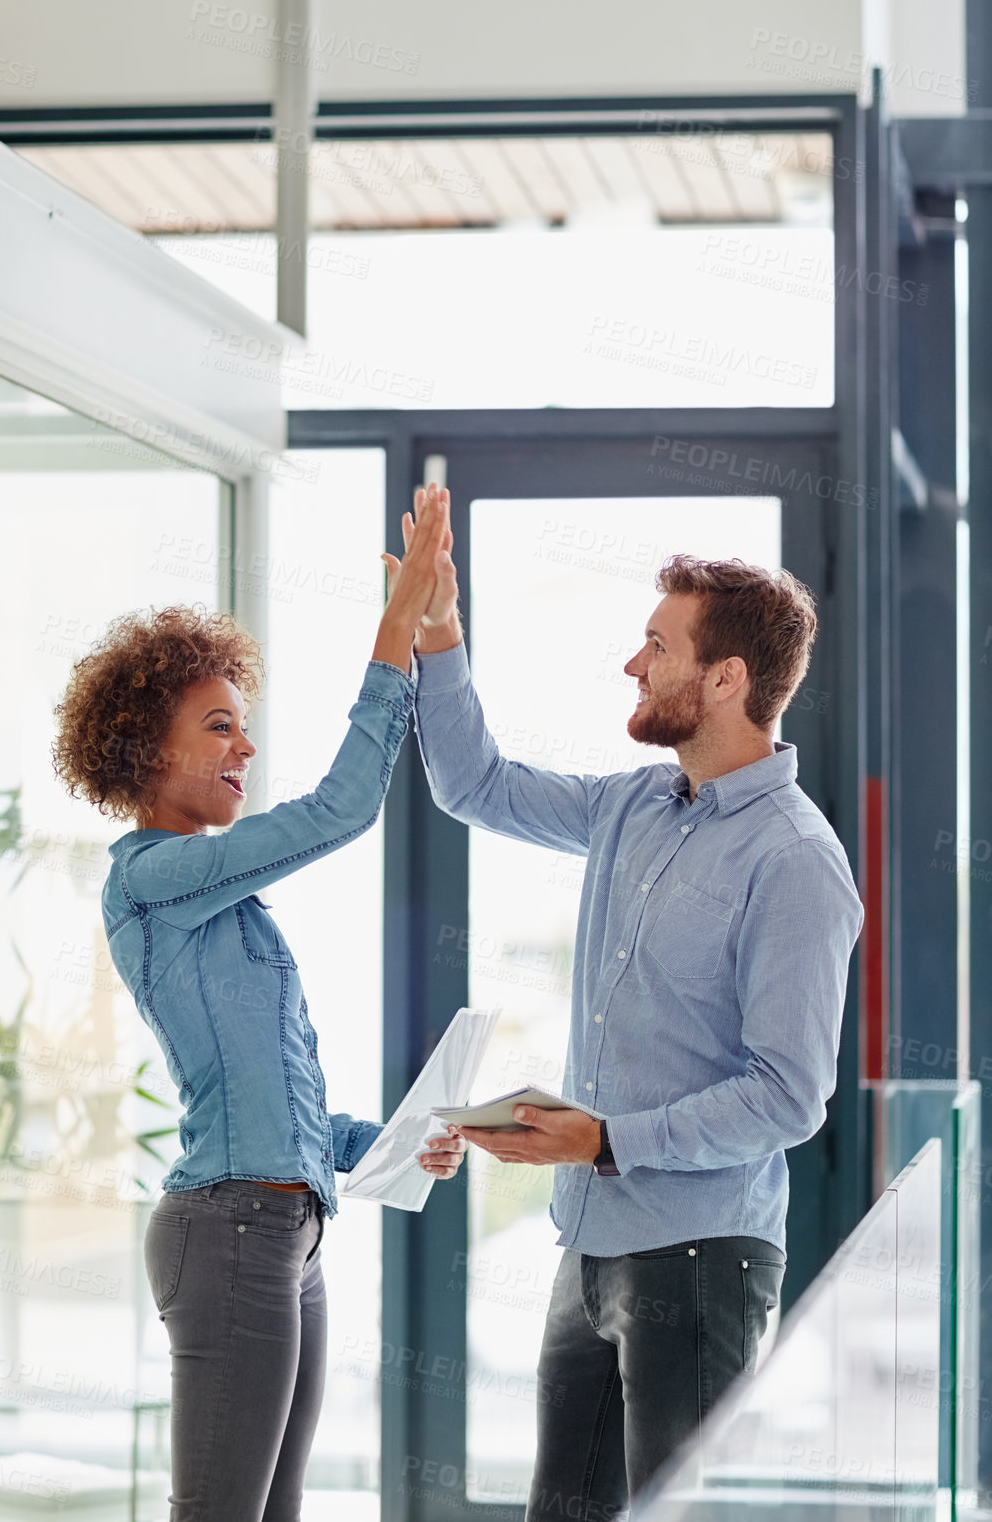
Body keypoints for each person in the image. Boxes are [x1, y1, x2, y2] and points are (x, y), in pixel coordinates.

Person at [387, 490, 865, 1519]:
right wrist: (436, 635)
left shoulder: (794, 863)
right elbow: (473, 785)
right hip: (590, 1242)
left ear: (726, 678)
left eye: (656, 645)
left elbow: (786, 1098)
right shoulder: (631, 807)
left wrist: (604, 1138)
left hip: (700, 1258)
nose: (631, 664)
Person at [51, 483, 466, 1522]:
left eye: (245, 728)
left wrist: (405, 1138)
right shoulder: (153, 876)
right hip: (230, 1229)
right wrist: (394, 635)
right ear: (148, 749)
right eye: (219, 727)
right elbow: (338, 809)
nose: (243, 749)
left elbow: (281, 1115)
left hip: (281, 1227)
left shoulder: (212, 900)